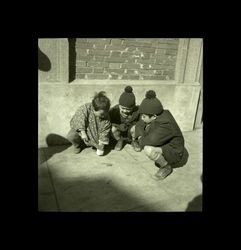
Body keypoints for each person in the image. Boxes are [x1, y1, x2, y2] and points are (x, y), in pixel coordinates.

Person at [133, 90, 189, 180]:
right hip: (164, 143)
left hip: (174, 152)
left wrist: (140, 138)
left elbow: (150, 140)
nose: (142, 118)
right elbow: (139, 124)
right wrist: (141, 134)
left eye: (144, 116)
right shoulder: (155, 114)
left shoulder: (165, 124)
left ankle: (166, 167)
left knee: (148, 149)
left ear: (154, 116)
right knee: (137, 129)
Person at [67, 91, 111, 156]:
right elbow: (79, 119)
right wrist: (83, 133)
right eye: (101, 114)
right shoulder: (85, 108)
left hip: (95, 136)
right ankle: (78, 145)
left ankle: (93, 146)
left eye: (106, 113)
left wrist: (100, 146)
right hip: (83, 133)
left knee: (100, 146)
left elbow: (105, 131)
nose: (104, 116)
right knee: (71, 135)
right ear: (94, 109)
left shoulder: (106, 117)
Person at [109, 86, 141, 151]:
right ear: (119, 105)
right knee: (112, 129)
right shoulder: (114, 111)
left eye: (128, 109)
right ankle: (119, 140)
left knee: (136, 127)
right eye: (122, 108)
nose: (125, 111)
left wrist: (133, 125)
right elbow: (108, 122)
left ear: (133, 107)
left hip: (131, 133)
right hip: (120, 133)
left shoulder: (137, 111)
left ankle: (134, 141)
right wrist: (117, 126)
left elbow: (142, 122)